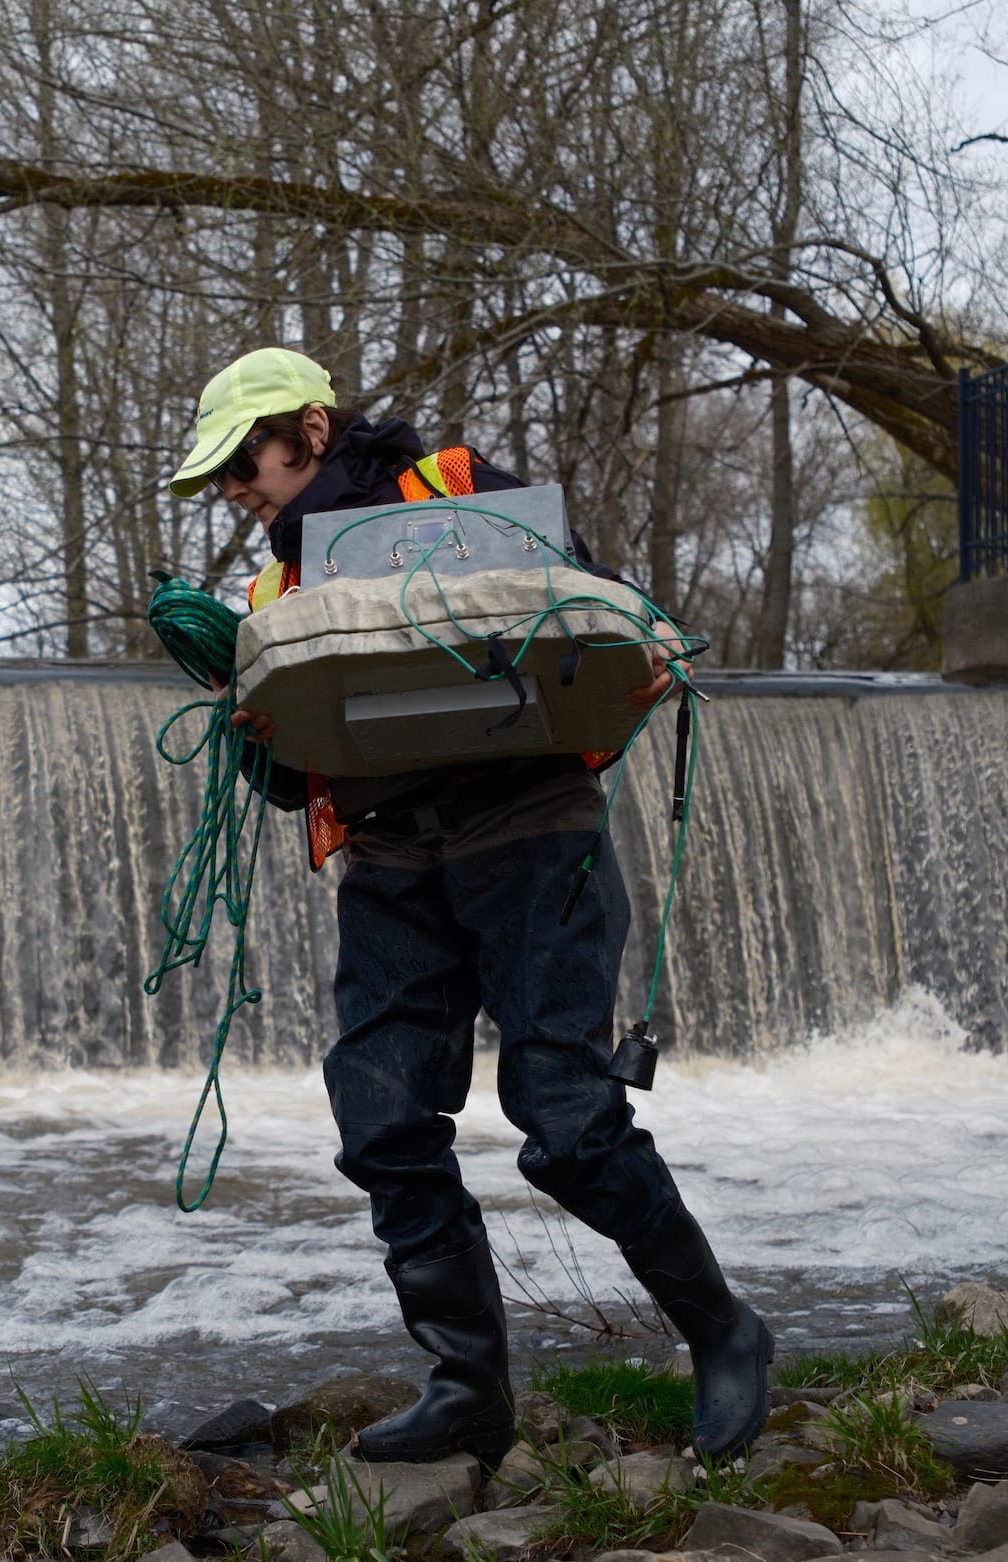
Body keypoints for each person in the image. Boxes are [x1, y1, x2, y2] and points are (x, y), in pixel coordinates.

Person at [167, 346, 773, 1466]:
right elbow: (297, 782)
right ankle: (467, 1387)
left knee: (567, 1121)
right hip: (391, 860)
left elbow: (586, 601)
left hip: (533, 835)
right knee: (382, 1119)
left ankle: (724, 1330)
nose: (235, 490)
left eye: (243, 462)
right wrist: (239, 710)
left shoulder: (449, 484)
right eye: (220, 479)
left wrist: (638, 643)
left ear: (310, 428)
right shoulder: (268, 599)